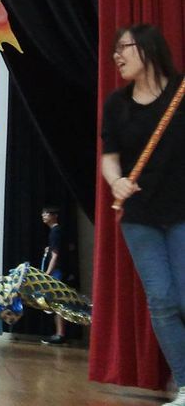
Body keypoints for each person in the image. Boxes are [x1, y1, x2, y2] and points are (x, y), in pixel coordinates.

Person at [101, 24, 185, 406]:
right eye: (115, 50)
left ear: (148, 48)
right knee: (162, 299)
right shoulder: (116, 105)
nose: (116, 56)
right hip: (140, 217)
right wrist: (116, 182)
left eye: (124, 48)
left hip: (182, 211)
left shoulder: (181, 91)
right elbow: (110, 158)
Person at [39, 205, 67, 344]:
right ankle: (59, 333)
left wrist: (47, 274)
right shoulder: (55, 232)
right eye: (43, 214)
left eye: (46, 213)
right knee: (56, 303)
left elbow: (55, 256)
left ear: (54, 216)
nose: (43, 216)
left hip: (57, 272)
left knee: (57, 303)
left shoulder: (55, 232)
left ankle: (60, 334)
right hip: (57, 271)